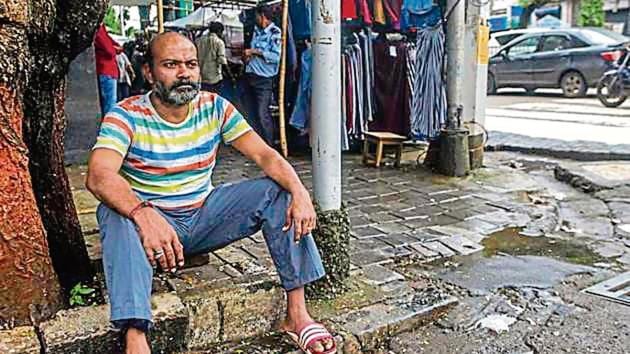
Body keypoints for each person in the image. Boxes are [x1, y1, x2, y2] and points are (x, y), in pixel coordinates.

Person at [86, 32, 336, 354]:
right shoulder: (125, 115)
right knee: (112, 212)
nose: (184, 73)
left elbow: (265, 156)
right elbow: (99, 174)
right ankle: (136, 336)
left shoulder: (215, 107)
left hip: (205, 216)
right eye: (171, 64)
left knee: (279, 192)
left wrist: (300, 192)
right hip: (153, 229)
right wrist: (143, 213)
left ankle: (297, 315)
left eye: (190, 64)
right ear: (148, 72)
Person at [243, 6, 281, 146]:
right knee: (250, 112)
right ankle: (256, 144)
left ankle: (268, 144)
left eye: (257, 16)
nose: (255, 19)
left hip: (264, 79)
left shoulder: (275, 33)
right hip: (251, 75)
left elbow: (276, 57)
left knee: (262, 113)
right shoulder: (256, 32)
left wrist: (254, 52)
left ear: (263, 16)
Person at [195, 21, 232, 94]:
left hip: (201, 77)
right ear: (219, 31)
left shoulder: (198, 40)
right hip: (214, 79)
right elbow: (222, 61)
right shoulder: (219, 42)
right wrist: (231, 76)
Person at [94, 24, 121, 117]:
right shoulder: (99, 29)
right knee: (110, 104)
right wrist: (115, 49)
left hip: (105, 70)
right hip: (107, 71)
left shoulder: (101, 29)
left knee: (108, 103)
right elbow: (110, 50)